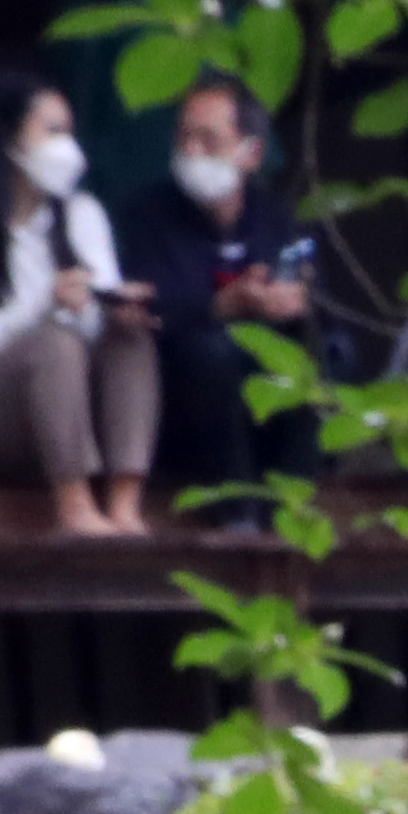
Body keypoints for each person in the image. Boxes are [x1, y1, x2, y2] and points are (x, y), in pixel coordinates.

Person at [0, 69, 152, 535]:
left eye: (69, 132)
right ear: (7, 138)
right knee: (54, 343)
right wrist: (45, 306)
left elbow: (94, 315)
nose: (67, 147)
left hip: (73, 406)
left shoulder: (84, 213)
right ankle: (74, 507)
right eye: (53, 131)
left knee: (130, 337)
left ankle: (125, 506)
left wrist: (113, 306)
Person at [121, 72, 315, 529]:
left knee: (326, 356)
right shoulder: (142, 217)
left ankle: (293, 508)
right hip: (179, 403)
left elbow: (313, 290)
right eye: (184, 136)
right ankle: (239, 514)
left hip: (266, 399)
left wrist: (290, 301)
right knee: (210, 351)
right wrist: (219, 306)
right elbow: (148, 311)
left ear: (251, 152)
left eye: (208, 138)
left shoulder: (277, 217)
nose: (191, 150)